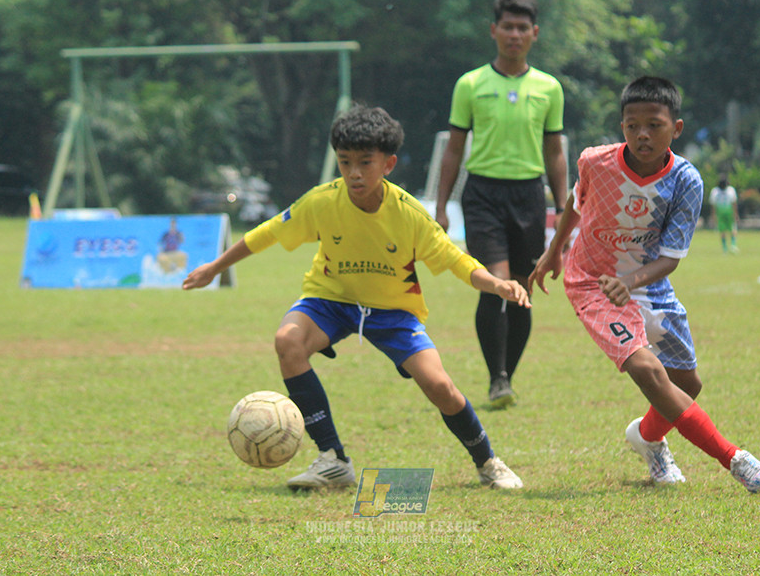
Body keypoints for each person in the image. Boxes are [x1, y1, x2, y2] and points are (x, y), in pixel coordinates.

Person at [184, 105, 527, 491]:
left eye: (365, 162)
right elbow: (266, 233)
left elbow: (456, 260)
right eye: (345, 162)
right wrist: (215, 266)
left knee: (440, 387)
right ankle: (333, 460)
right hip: (330, 300)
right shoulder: (322, 201)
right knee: (288, 341)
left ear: (389, 163)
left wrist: (498, 284)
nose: (354, 173)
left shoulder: (409, 214)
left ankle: (488, 463)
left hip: (394, 311)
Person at [529, 76, 760, 494]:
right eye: (632, 125)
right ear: (622, 125)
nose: (642, 134)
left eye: (654, 125)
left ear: (675, 128)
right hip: (593, 282)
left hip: (648, 280)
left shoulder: (686, 181)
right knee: (647, 370)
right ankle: (736, 460)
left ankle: (646, 438)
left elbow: (670, 258)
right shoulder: (595, 162)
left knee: (687, 383)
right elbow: (576, 200)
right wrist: (555, 250)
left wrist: (630, 281)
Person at [435, 0, 566, 409]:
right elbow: (454, 148)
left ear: (534, 33)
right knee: (496, 285)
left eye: (522, 28)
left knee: (525, 288)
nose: (514, 34)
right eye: (507, 27)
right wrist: (440, 205)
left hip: (529, 195)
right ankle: (497, 378)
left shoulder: (549, 88)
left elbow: (555, 152)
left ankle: (507, 371)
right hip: (483, 195)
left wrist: (563, 208)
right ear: (493, 31)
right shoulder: (470, 84)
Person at [709, 175, 739, 253]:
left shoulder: (729, 190)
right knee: (725, 230)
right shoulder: (716, 191)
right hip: (723, 212)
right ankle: (727, 247)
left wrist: (735, 214)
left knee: (730, 229)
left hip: (726, 212)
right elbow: (713, 205)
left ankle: (731, 245)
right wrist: (713, 216)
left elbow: (733, 203)